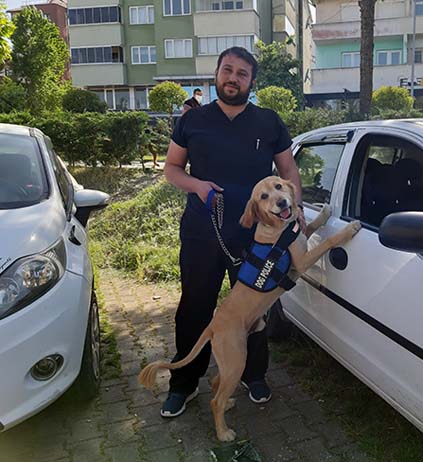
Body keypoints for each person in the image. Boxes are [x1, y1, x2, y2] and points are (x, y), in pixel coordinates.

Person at [161, 46, 305, 418]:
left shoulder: (268, 122)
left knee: (254, 307)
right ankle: (183, 383)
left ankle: (252, 375)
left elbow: (288, 171)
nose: (233, 78)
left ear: (252, 81)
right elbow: (172, 168)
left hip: (256, 236)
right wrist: (196, 186)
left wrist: (297, 208)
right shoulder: (193, 120)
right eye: (227, 70)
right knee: (195, 308)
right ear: (216, 73)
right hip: (202, 232)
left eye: (242, 73)